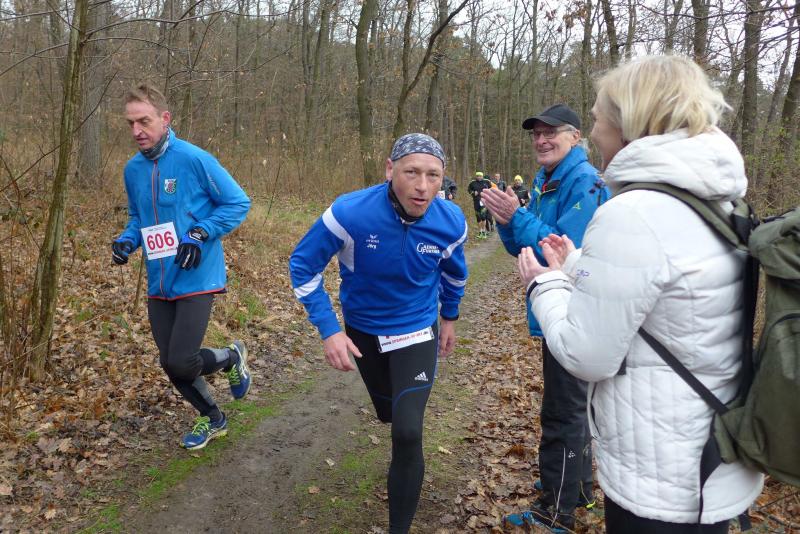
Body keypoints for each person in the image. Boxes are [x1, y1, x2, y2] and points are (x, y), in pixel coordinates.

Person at [517, 55, 764, 533]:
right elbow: (669, 292)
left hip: (659, 472)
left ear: (627, 119)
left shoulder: (633, 212)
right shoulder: (715, 198)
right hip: (713, 453)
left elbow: (585, 355)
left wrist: (543, 283)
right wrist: (576, 262)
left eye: (598, 118)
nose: (593, 132)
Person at [289, 133, 468, 534]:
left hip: (417, 330)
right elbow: (302, 266)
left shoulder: (451, 221)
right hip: (364, 331)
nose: (422, 186)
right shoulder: (349, 213)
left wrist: (449, 317)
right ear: (390, 170)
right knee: (388, 413)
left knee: (408, 430)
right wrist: (329, 330)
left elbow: (455, 274)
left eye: (433, 175)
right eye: (411, 172)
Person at [482, 103, 608, 532]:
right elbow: (524, 248)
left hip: (576, 310)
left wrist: (518, 216)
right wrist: (507, 221)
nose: (541, 139)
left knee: (562, 413)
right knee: (570, 408)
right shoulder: (546, 180)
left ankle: (556, 510)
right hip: (555, 307)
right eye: (536, 133)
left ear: (575, 136)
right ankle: (579, 490)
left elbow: (563, 250)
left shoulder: (584, 182)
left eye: (550, 132)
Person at [111, 83, 252, 451]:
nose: (137, 131)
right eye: (131, 123)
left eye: (144, 121)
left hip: (197, 273)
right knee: (172, 364)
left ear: (165, 118)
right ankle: (213, 417)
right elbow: (138, 217)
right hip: (159, 280)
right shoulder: (133, 169)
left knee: (181, 360)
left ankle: (230, 357)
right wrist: (127, 240)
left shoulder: (194, 159)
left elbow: (237, 203)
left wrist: (201, 231)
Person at [467, 171, 493, 238]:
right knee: (478, 217)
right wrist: (473, 193)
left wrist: (488, 194)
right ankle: (480, 232)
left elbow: (491, 189)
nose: (479, 177)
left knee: (483, 216)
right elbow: (469, 190)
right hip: (476, 201)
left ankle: (484, 232)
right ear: (476, 176)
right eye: (477, 176)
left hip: (484, 201)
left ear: (482, 176)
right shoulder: (472, 182)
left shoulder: (486, 182)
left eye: (480, 176)